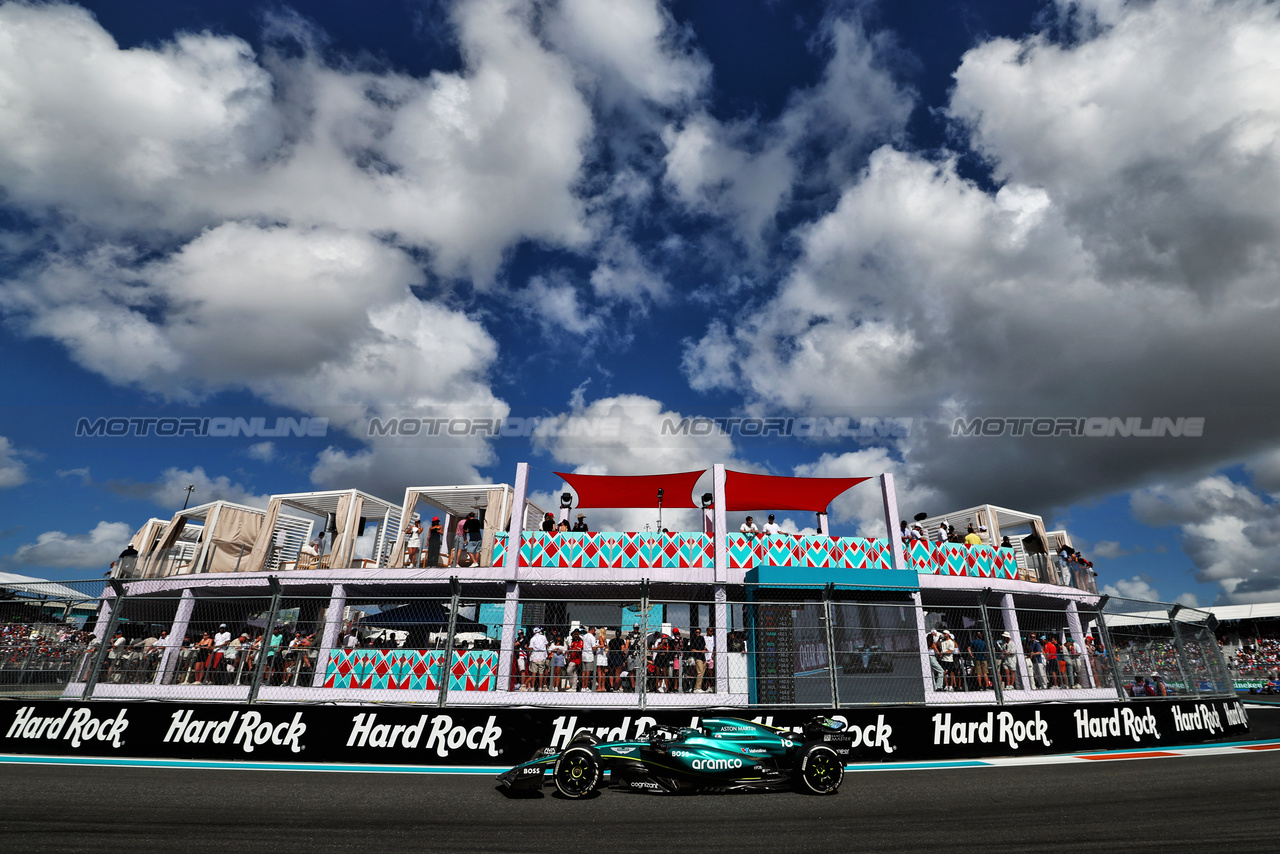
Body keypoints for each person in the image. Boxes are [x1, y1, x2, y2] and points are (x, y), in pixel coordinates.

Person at [528, 627, 548, 691]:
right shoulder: (543, 637)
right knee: (541, 673)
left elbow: (531, 648)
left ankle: (533, 687)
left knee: (534, 673)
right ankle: (540, 687)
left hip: (535, 657)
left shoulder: (532, 639)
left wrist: (526, 648)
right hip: (542, 657)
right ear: (539, 631)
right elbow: (547, 644)